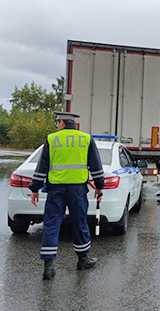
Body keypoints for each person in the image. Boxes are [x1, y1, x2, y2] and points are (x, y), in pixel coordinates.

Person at [28, 111, 105, 280]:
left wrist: (35, 188)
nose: (57, 125)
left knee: (52, 224)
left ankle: (48, 267)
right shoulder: (86, 139)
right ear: (74, 124)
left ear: (62, 123)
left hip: (56, 190)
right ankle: (83, 260)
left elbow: (42, 167)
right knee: (80, 223)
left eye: (57, 122)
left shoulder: (51, 139)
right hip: (77, 190)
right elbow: (96, 166)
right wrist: (99, 187)